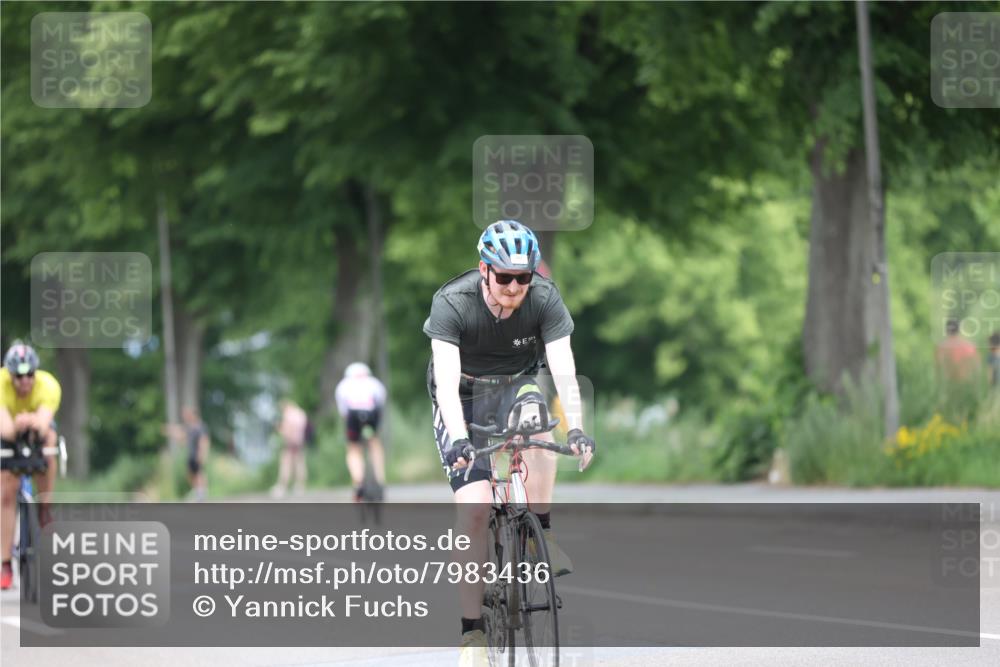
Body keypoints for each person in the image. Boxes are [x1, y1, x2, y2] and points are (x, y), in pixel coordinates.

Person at [423, 220, 596, 662]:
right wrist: (461, 441)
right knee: (476, 507)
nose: (514, 287)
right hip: (460, 396)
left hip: (513, 386)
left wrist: (574, 426)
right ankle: (472, 634)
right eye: (504, 277)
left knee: (540, 424)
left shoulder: (544, 298)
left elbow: (563, 369)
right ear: (484, 271)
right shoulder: (452, 302)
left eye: (523, 277)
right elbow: (443, 384)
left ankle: (543, 534)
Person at [0, 341, 62, 590]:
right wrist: (20, 423)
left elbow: (44, 423)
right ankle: (5, 563)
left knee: (51, 441)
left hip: (37, 433)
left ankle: (44, 506)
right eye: (19, 376)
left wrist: (32, 422)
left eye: (29, 375)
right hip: (8, 434)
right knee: (6, 492)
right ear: (10, 375)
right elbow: (5, 428)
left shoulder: (48, 385)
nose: (25, 381)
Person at [334, 362, 387, 501]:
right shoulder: (374, 382)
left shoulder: (343, 385)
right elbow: (380, 403)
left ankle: (358, 482)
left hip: (352, 414)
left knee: (353, 449)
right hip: (371, 414)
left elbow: (343, 412)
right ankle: (380, 479)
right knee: (374, 443)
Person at [165, 406, 210, 502]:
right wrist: (171, 432)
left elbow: (204, 440)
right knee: (190, 475)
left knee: (199, 474)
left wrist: (202, 453)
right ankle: (198, 492)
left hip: (197, 454)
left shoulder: (200, 426)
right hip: (191, 455)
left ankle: (202, 494)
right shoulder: (190, 428)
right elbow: (183, 438)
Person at [270, 399, 309, 498]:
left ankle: (282, 487)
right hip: (299, 442)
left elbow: (287, 430)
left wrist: (279, 428)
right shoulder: (301, 413)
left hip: (290, 442)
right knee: (300, 464)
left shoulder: (288, 414)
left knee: (285, 465)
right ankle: (300, 487)